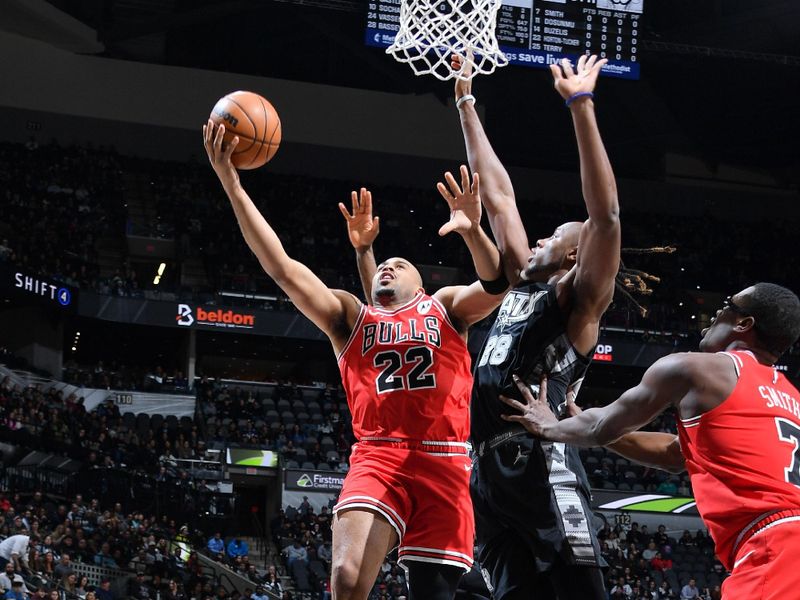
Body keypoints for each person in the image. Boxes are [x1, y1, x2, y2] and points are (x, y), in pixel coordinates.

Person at [204, 120, 504, 600]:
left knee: (435, 593)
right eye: (384, 264)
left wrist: (473, 232)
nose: (389, 266)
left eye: (400, 265)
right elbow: (281, 267)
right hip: (379, 455)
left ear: (420, 286)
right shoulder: (349, 318)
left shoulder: (444, 307)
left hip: (444, 460)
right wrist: (232, 184)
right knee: (346, 578)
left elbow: (497, 283)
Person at [448, 53, 623, 599]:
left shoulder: (578, 303)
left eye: (554, 237)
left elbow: (606, 218)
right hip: (492, 473)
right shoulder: (524, 284)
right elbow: (498, 196)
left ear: (575, 258)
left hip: (543, 462)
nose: (540, 239)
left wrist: (581, 106)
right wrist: (465, 103)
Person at [500, 283, 800, 599]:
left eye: (727, 303)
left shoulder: (695, 368)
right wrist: (600, 435)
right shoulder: (791, 396)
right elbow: (674, 454)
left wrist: (550, 426)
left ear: (744, 324)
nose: (716, 312)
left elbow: (602, 425)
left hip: (775, 545)